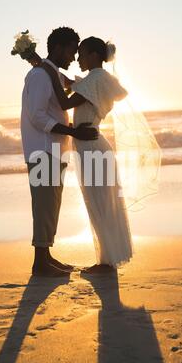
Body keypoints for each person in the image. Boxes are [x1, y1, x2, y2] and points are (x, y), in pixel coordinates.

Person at [40, 37, 134, 273]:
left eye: (81, 54)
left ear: (93, 55)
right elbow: (71, 85)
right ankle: (107, 260)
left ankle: (107, 262)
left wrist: (49, 71)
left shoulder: (95, 79)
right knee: (100, 202)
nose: (78, 59)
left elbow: (63, 103)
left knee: (100, 202)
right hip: (91, 146)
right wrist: (44, 66)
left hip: (92, 147)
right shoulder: (96, 79)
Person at [21, 27, 99, 277]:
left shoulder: (51, 73)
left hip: (54, 148)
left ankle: (46, 257)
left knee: (51, 203)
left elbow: (70, 85)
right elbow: (37, 116)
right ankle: (40, 263)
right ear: (58, 48)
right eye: (71, 51)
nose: (73, 57)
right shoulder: (40, 76)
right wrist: (73, 132)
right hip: (42, 149)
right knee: (44, 204)